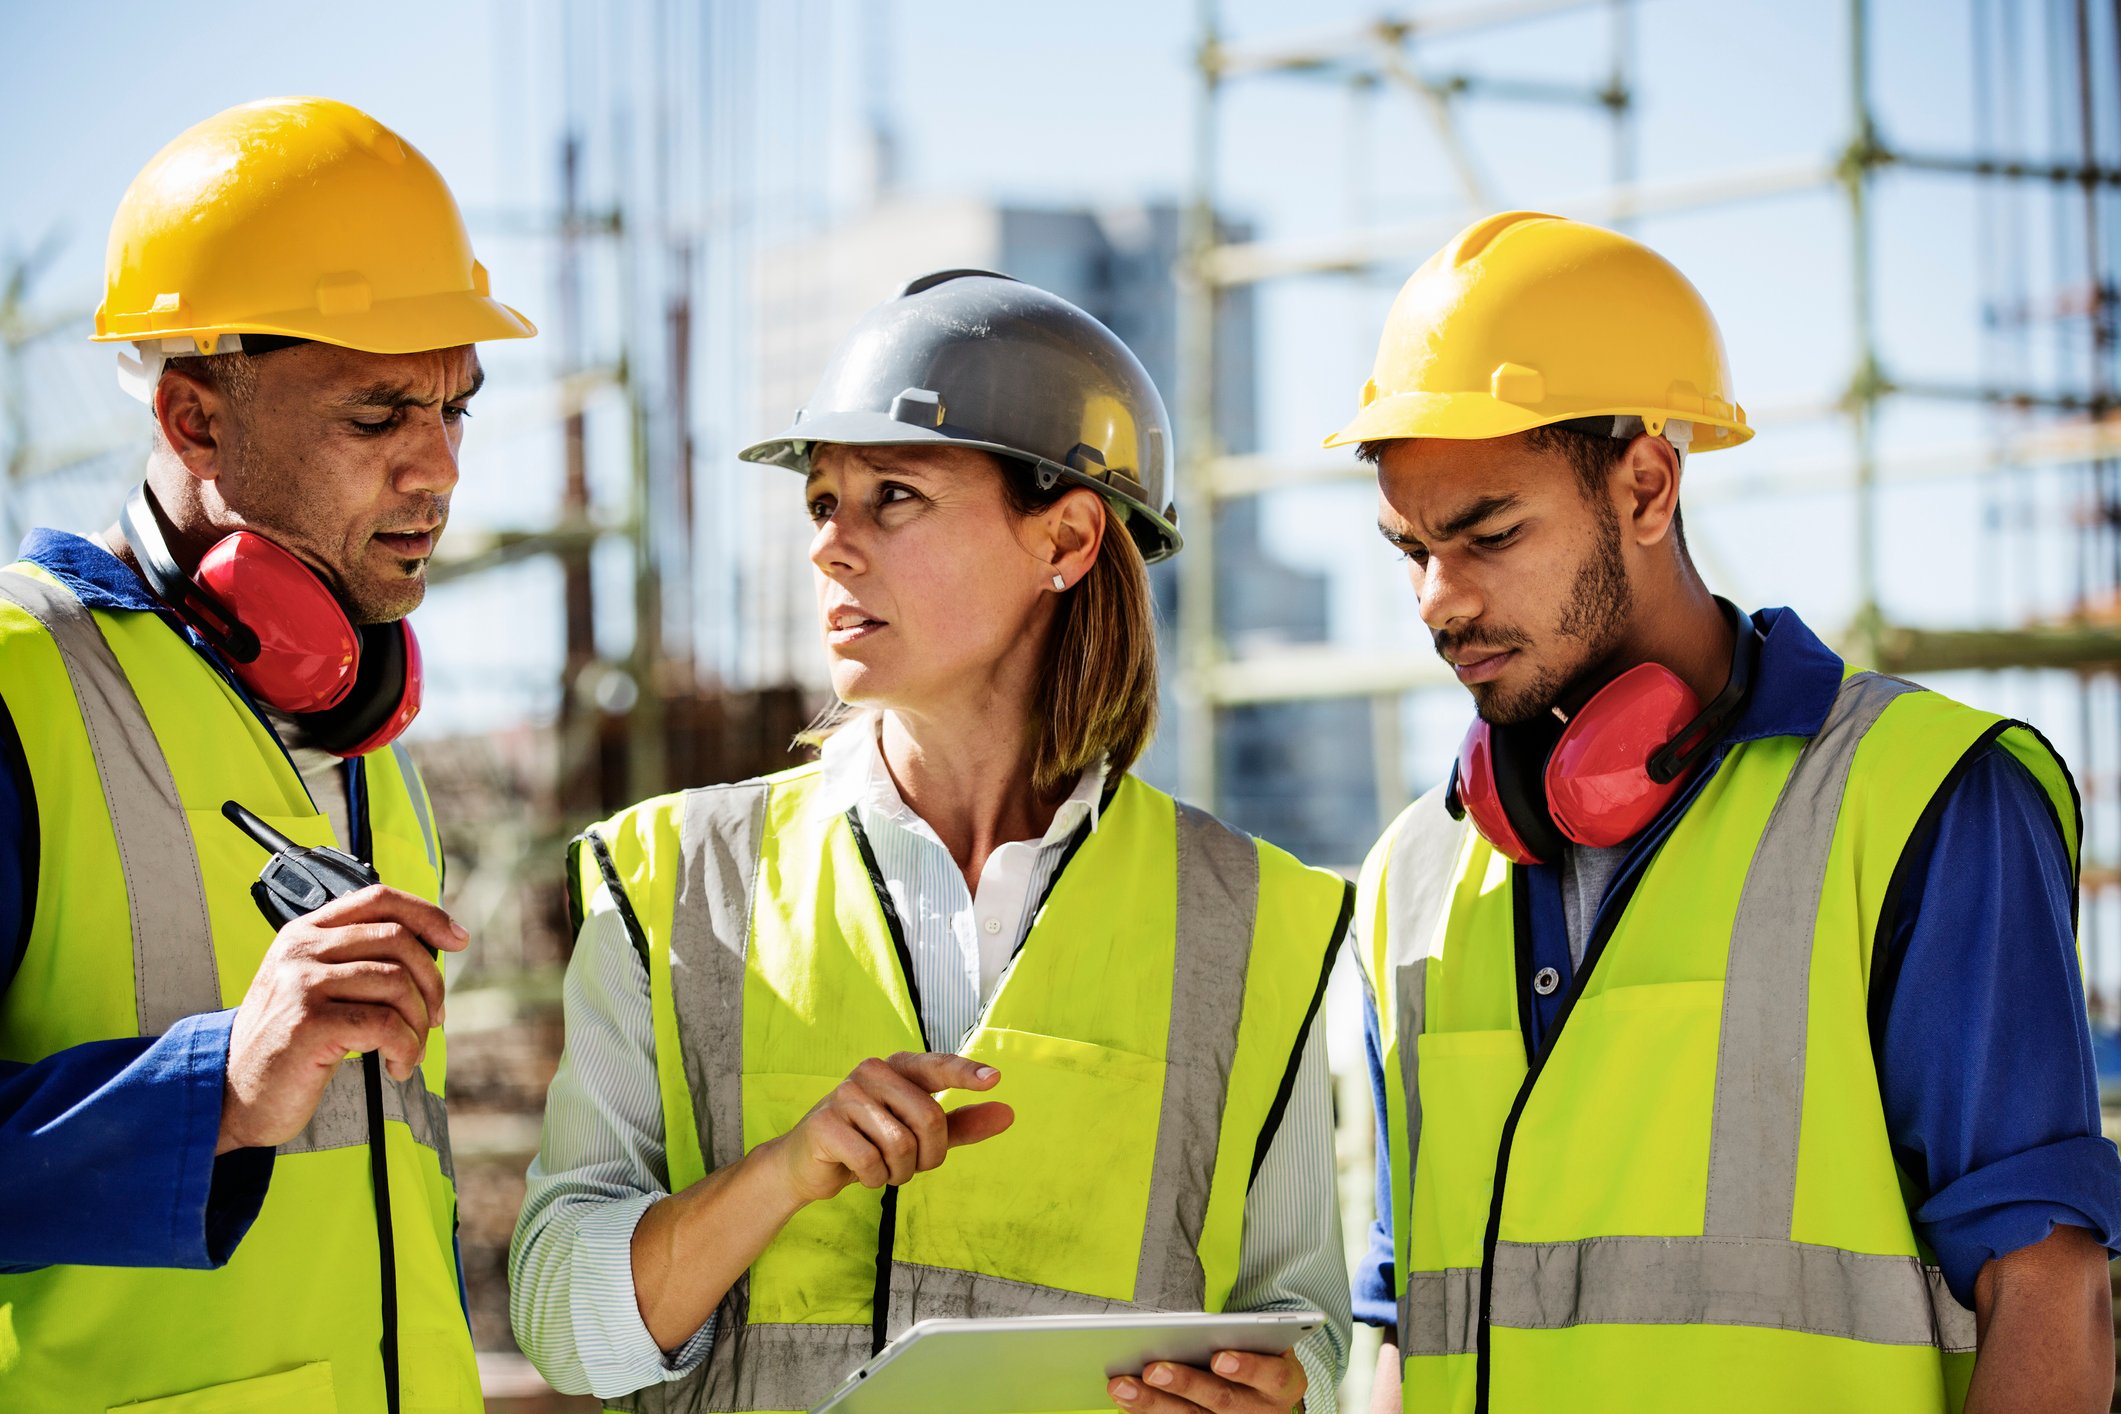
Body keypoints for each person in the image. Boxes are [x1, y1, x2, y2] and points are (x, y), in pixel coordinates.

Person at [511, 270, 1354, 1414]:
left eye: (893, 495)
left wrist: (1277, 1395)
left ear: (1065, 537)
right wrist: (781, 1174)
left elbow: (1303, 1324)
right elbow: (564, 1328)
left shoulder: (1260, 921)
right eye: (821, 503)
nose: (832, 548)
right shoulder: (668, 882)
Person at [1334, 209, 2121, 1414]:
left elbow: (2050, 1296)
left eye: (1489, 534)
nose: (1440, 602)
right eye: (1410, 550)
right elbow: (1405, 1328)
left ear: (1646, 484)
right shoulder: (1417, 870)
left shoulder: (1923, 801)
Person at [0, 97, 534, 1413]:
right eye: (378, 415)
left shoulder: (356, 727)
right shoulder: (19, 680)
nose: (439, 471)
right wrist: (217, 1089)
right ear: (192, 416)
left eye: (458, 407)